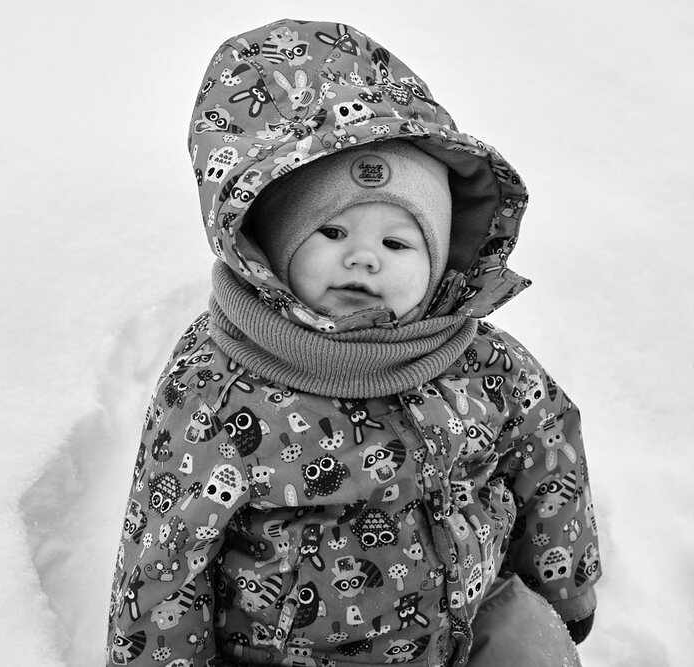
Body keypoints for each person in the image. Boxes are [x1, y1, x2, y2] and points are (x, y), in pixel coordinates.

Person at [105, 18, 601, 667]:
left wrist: (566, 587)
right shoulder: (222, 387)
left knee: (533, 643)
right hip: (306, 652)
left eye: (397, 243)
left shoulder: (481, 360)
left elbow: (550, 448)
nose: (364, 259)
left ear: (439, 262)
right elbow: (166, 550)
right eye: (332, 233)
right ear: (275, 249)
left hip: (474, 616)